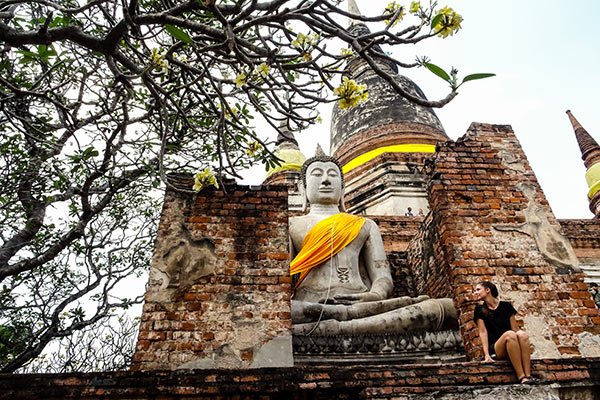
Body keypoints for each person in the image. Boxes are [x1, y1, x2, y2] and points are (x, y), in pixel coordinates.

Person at [289, 154, 456, 336]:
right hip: (311, 305)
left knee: (444, 308)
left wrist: (375, 295)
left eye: (332, 174)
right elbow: (282, 282)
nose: (326, 180)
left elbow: (382, 276)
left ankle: (331, 330)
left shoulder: (365, 225)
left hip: (365, 305)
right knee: (281, 313)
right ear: (302, 187)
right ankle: (350, 329)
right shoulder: (291, 225)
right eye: (317, 174)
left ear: (343, 188)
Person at [474, 282, 534, 384]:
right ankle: (521, 376)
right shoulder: (479, 310)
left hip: (512, 343)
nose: (475, 293)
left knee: (522, 334)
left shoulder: (506, 306)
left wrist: (522, 338)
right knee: (509, 334)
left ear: (487, 290)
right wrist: (486, 355)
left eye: (478, 289)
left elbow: (515, 328)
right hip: (496, 348)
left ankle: (528, 375)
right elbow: (483, 332)